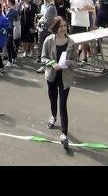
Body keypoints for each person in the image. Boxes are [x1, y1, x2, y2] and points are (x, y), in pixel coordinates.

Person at [41, 16, 77, 149]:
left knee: (63, 104)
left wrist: (68, 63)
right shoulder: (48, 40)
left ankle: (64, 134)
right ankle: (53, 116)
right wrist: (52, 63)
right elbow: (43, 57)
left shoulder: (71, 42)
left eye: (64, 26)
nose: (63, 28)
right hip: (52, 75)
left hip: (65, 77)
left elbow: (75, 61)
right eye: (60, 26)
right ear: (55, 27)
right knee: (52, 98)